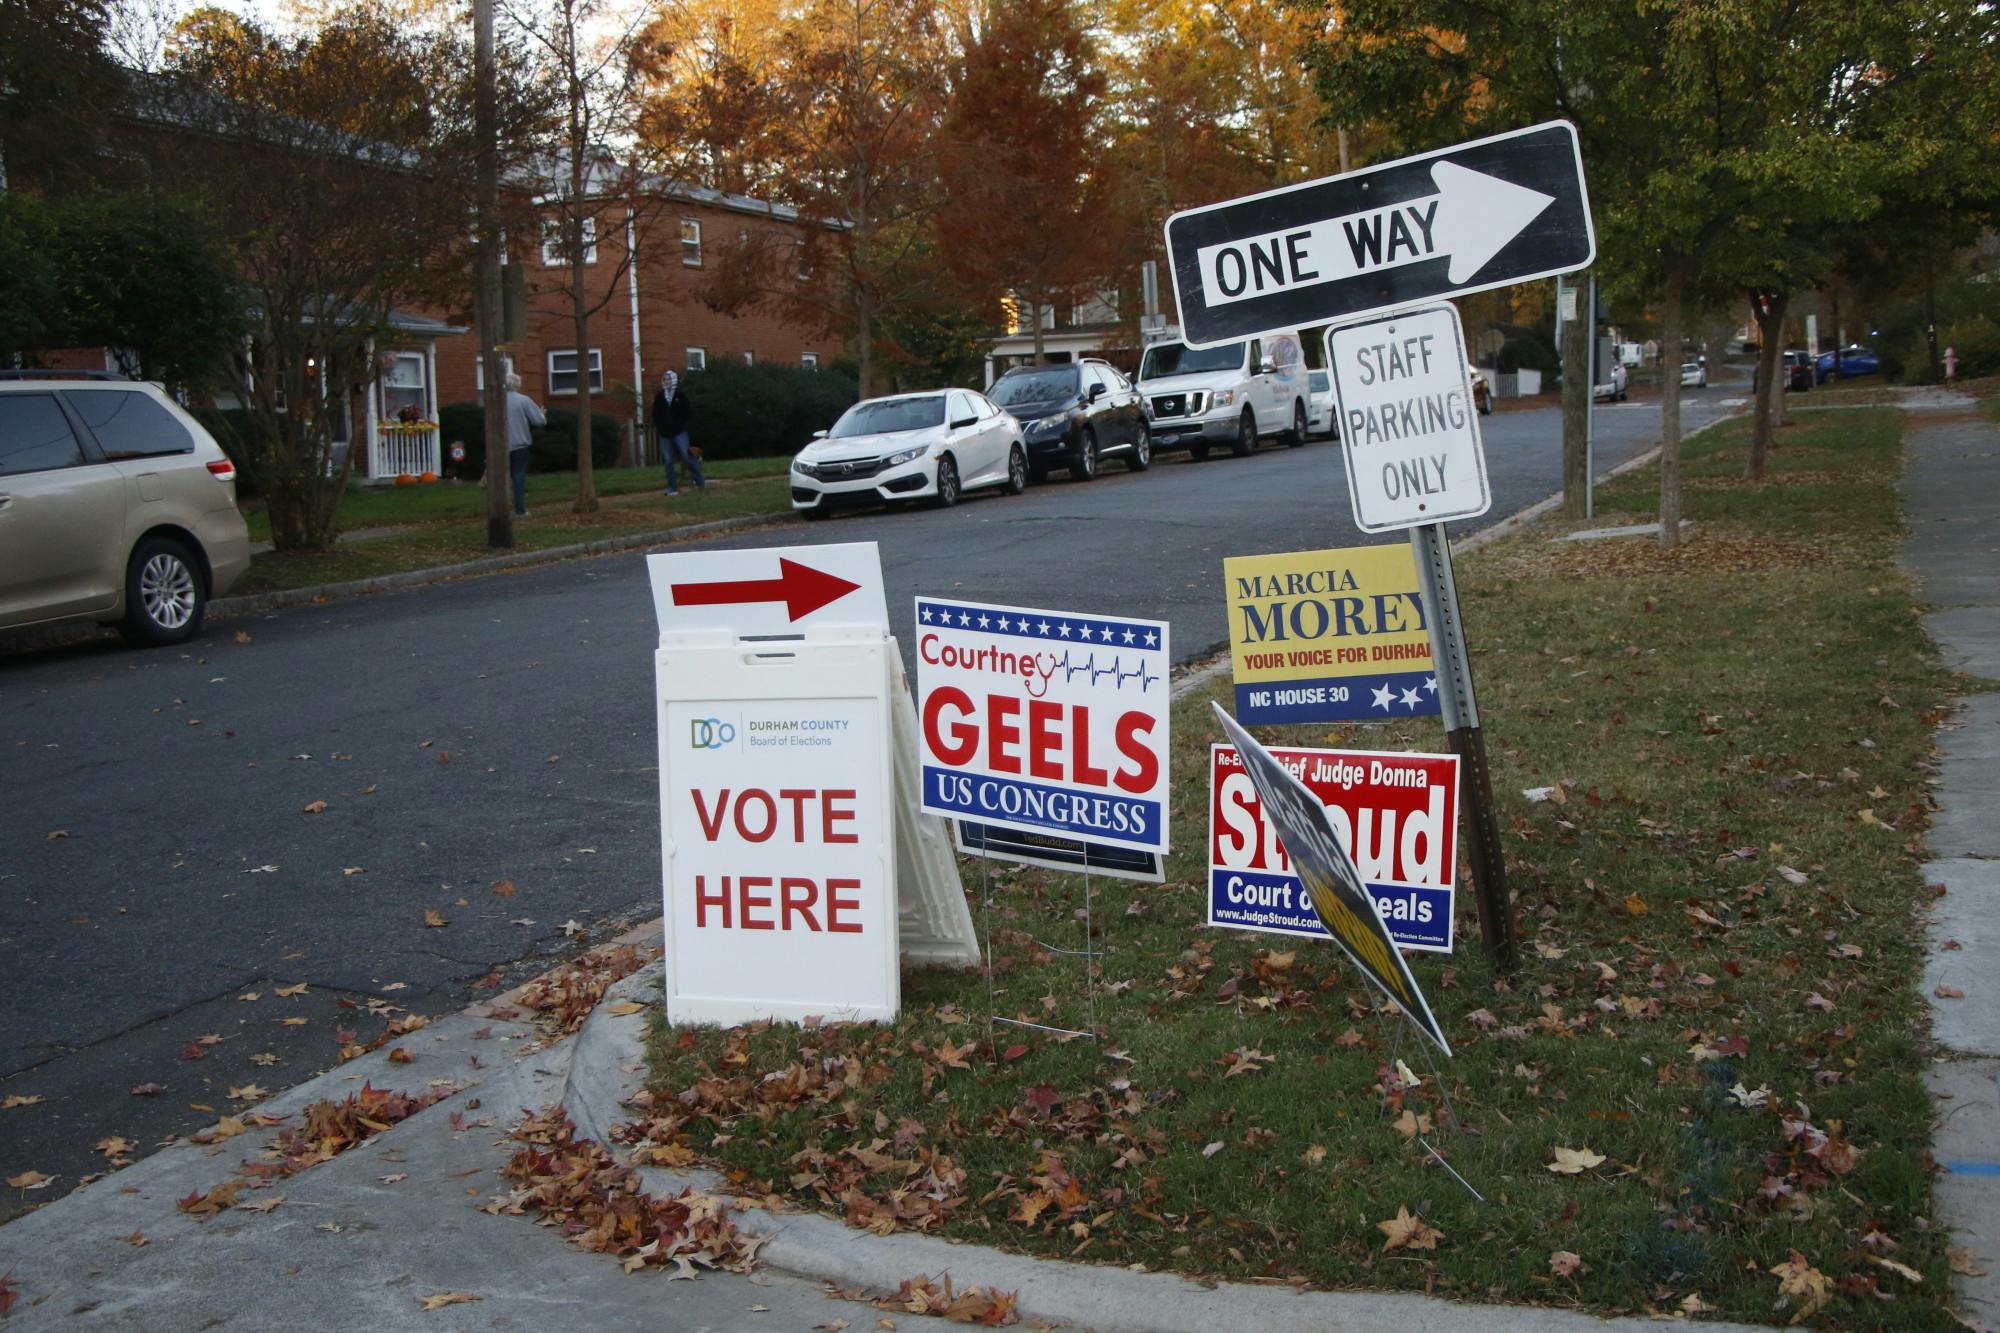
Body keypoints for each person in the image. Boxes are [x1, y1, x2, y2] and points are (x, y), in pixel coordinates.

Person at [651, 369, 702, 495]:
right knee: (668, 460)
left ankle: (700, 481)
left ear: (673, 380)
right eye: (664, 379)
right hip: (665, 434)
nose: (666, 382)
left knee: (686, 456)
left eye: (668, 379)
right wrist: (660, 426)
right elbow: (655, 414)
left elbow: (687, 412)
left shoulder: (680, 395)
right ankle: (672, 488)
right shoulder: (659, 396)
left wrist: (680, 424)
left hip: (679, 432)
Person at [503, 372, 544, 516]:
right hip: (520, 444)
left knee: (501, 478)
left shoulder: (496, 400)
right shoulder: (523, 400)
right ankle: (519, 509)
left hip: (500, 446)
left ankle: (501, 509)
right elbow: (539, 421)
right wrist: (542, 413)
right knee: (518, 476)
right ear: (517, 385)